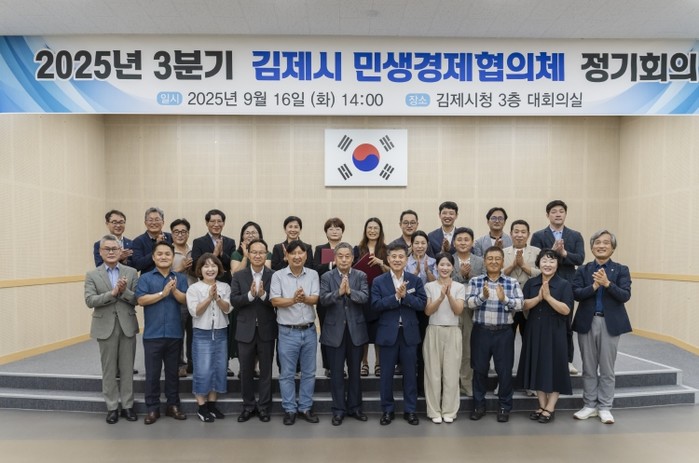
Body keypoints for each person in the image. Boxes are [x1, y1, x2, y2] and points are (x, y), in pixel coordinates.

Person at [572, 230, 632, 424]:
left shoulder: (621, 270)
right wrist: (594, 287)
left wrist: (607, 284)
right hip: (587, 322)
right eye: (597, 242)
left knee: (607, 368)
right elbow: (576, 294)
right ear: (592, 247)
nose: (601, 245)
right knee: (588, 367)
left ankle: (605, 407)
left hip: (610, 323)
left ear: (612, 248)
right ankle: (589, 405)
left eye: (606, 242)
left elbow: (625, 295)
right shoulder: (583, 270)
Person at [84, 234, 140, 424]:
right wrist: (113, 293)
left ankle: (128, 406)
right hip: (104, 326)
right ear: (100, 252)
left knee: (127, 368)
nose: (110, 252)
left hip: (127, 325)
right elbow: (90, 300)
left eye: (114, 249)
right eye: (106, 249)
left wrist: (124, 292)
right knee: (108, 369)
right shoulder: (92, 275)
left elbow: (137, 299)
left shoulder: (131, 272)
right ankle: (112, 407)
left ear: (120, 251)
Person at [371, 242, 427, 426]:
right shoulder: (379, 281)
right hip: (388, 334)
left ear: (406, 259)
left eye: (401, 256)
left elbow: (422, 304)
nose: (397, 260)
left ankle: (410, 410)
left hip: (409, 334)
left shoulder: (415, 280)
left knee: (410, 375)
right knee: (386, 375)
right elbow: (375, 305)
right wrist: (395, 297)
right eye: (393, 256)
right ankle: (387, 410)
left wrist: (406, 297)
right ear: (388, 259)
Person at [515, 249, 573, 424]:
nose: (548, 264)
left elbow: (566, 310)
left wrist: (548, 298)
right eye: (544, 261)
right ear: (538, 263)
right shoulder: (531, 283)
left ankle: (550, 407)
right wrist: (539, 298)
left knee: (555, 368)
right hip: (534, 329)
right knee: (538, 366)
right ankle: (541, 405)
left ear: (557, 264)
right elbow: (523, 305)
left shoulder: (564, 285)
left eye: (552, 261)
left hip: (556, 331)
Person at [466, 246, 524, 423]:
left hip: (503, 332)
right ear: (484, 261)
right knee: (479, 370)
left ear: (503, 261)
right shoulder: (476, 281)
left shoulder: (511, 282)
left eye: (497, 258)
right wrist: (482, 297)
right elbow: (469, 303)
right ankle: (479, 406)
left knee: (504, 371)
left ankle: (504, 407)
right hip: (481, 331)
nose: (493, 262)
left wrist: (504, 299)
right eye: (490, 258)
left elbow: (520, 305)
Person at [135, 241, 189, 425]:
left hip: (174, 333)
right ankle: (152, 408)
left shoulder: (180, 278)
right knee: (152, 374)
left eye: (167, 254)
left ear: (173, 257)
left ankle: (173, 406)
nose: (163, 257)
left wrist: (174, 291)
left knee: (173, 374)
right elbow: (141, 300)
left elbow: (185, 299)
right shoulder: (145, 278)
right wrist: (162, 294)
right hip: (153, 335)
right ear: (153, 257)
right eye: (160, 254)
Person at [531, 200, 585, 375]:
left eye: (561, 211)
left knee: (566, 322)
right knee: (542, 321)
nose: (558, 214)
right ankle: (541, 358)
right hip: (545, 282)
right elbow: (536, 259)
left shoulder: (575, 235)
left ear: (565, 214)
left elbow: (580, 259)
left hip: (567, 283)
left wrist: (564, 253)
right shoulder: (539, 235)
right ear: (547, 215)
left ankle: (567, 360)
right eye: (554, 211)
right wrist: (552, 252)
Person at [270, 240, 320, 425]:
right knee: (287, 373)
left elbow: (315, 298)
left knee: (309, 372)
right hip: (287, 331)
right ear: (286, 256)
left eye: (301, 253)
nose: (297, 256)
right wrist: (293, 300)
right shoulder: (278, 276)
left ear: (306, 255)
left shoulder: (313, 274)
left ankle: (305, 408)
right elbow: (275, 301)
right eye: (293, 253)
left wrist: (304, 299)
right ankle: (290, 409)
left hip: (309, 330)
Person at [319, 242, 370, 426]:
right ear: (334, 258)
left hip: (355, 331)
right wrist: (339, 292)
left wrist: (350, 292)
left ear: (352, 258)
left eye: (347, 256)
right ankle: (338, 410)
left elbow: (364, 297)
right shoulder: (326, 276)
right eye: (340, 256)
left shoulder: (361, 275)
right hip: (334, 332)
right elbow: (322, 299)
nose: (344, 259)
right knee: (337, 374)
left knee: (355, 373)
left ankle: (355, 408)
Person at [230, 238, 277, 423]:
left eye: (261, 252)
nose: (258, 255)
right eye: (254, 252)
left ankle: (264, 407)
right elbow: (234, 300)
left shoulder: (274, 275)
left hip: (267, 329)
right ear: (248, 254)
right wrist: (250, 295)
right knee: (246, 371)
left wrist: (264, 295)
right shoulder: (239, 276)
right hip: (245, 330)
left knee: (266, 371)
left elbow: (277, 301)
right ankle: (248, 406)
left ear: (266, 255)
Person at [186, 253, 231, 423]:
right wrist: (209, 298)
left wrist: (217, 298)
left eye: (213, 265)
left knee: (219, 369)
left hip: (220, 332)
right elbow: (195, 312)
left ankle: (212, 405)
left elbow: (227, 309)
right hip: (202, 333)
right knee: (203, 370)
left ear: (218, 268)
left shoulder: (225, 287)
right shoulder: (194, 289)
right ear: (200, 269)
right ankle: (202, 407)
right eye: (206, 266)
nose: (210, 269)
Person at [423, 252, 465, 424]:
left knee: (452, 374)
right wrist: (440, 297)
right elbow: (428, 311)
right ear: (436, 266)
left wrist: (449, 295)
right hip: (434, 330)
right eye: (442, 264)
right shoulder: (429, 286)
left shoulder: (459, 287)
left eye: (448, 265)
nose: (445, 268)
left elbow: (459, 310)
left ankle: (449, 410)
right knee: (432, 373)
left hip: (453, 331)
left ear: (453, 267)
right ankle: (434, 411)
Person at [450, 227, 484, 397]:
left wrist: (468, 276)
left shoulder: (480, 261)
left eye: (466, 239)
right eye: (459, 239)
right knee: (452, 349)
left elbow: (484, 281)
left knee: (468, 349)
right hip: (451, 309)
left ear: (472, 243)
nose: (463, 243)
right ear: (454, 243)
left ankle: (466, 383)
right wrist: (460, 276)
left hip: (471, 310)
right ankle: (452, 384)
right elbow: (445, 280)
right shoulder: (448, 259)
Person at [354, 217, 389, 378]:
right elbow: (352, 270)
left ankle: (378, 363)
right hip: (362, 293)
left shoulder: (386, 250)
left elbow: (393, 271)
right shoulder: (358, 249)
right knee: (363, 330)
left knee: (378, 329)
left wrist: (381, 263)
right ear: (365, 230)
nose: (372, 231)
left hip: (380, 294)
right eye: (370, 228)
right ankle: (364, 363)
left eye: (376, 228)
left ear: (380, 231)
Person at [313, 217, 346, 378]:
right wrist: (332, 264)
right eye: (331, 228)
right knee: (326, 332)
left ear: (342, 232)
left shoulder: (347, 249)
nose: (334, 231)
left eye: (337, 228)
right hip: (325, 296)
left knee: (343, 332)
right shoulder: (320, 249)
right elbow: (315, 269)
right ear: (326, 232)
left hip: (344, 296)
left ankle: (341, 366)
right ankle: (328, 366)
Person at [405, 230, 436, 389]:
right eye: (416, 243)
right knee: (411, 346)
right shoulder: (404, 262)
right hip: (410, 307)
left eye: (423, 243)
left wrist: (428, 272)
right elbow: (403, 286)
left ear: (427, 245)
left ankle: (423, 384)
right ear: (411, 245)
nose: (419, 246)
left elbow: (436, 284)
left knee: (425, 347)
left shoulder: (434, 262)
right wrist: (415, 274)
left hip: (428, 308)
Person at [170, 218, 195, 378]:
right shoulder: (168, 251)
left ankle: (192, 363)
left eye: (183, 231)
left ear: (188, 233)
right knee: (178, 333)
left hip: (195, 298)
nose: (180, 234)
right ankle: (179, 364)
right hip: (176, 298)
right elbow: (164, 274)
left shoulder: (193, 250)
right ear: (172, 234)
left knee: (194, 333)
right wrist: (180, 268)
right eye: (176, 232)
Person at [190, 209, 237, 283]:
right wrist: (214, 254)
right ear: (207, 223)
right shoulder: (198, 242)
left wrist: (222, 253)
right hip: (205, 282)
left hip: (226, 282)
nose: (216, 224)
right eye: (212, 221)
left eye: (219, 221)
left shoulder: (230, 242)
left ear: (223, 223)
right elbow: (195, 266)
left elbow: (232, 265)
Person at [131, 207, 172, 274]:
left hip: (169, 277)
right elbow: (137, 265)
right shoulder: (138, 241)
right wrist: (157, 246)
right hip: (148, 279)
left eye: (157, 220)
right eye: (150, 220)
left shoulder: (170, 237)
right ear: (145, 223)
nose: (154, 223)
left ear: (163, 222)